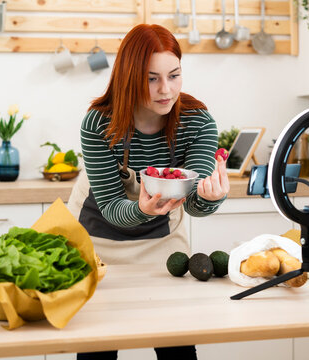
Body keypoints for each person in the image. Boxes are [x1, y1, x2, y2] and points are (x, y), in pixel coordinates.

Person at [67, 23, 230, 360]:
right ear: (129, 77)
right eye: (152, 78)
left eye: (174, 75)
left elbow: (196, 205)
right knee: (97, 348)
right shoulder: (99, 123)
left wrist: (212, 198)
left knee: (177, 346)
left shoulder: (198, 123)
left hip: (161, 246)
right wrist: (142, 209)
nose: (166, 90)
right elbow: (112, 206)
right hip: (97, 245)